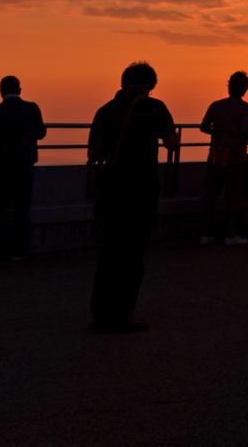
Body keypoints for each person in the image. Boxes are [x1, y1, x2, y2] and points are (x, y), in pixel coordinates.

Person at [87, 61, 179, 333]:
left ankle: (100, 313)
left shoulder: (104, 111)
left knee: (109, 251)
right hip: (140, 187)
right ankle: (124, 314)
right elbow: (171, 142)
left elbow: (93, 154)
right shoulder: (154, 107)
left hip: (110, 188)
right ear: (150, 84)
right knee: (133, 253)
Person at [0, 75, 47, 261]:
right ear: (20, 90)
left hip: (0, 167)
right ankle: (18, 251)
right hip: (25, 167)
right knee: (22, 210)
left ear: (1, 91)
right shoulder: (31, 109)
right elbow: (41, 133)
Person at [199, 70, 248, 245]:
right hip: (235, 156)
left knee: (211, 195)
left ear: (229, 86)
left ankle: (206, 234)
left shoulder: (216, 105)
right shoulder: (246, 108)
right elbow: (245, 131)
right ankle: (230, 235)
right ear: (245, 88)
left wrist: (218, 132)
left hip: (215, 154)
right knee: (233, 196)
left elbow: (204, 127)